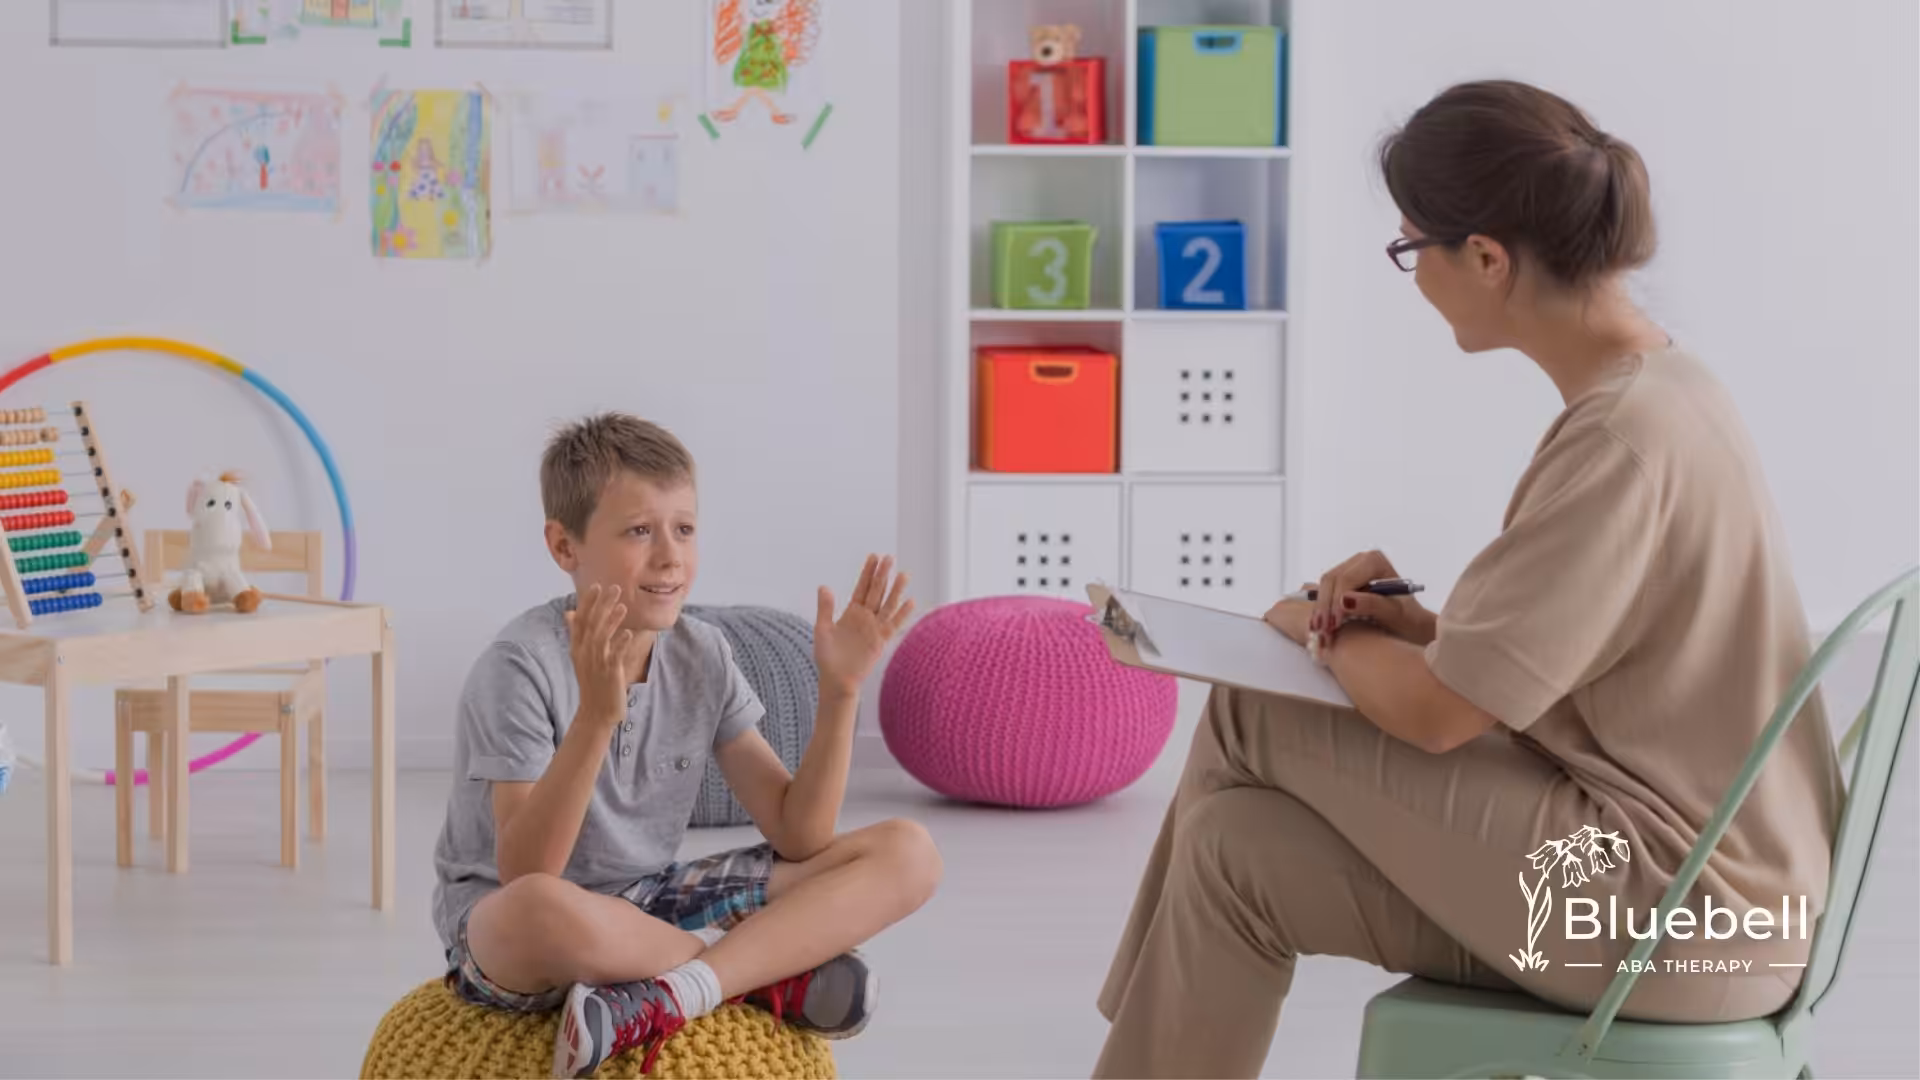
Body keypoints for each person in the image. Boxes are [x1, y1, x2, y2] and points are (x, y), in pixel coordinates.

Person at [1092, 80, 1844, 1078]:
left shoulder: (1618, 441)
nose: (1410, 276)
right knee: (1237, 847)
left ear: (1486, 258)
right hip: (1728, 903)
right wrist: (1410, 628)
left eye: (1412, 249)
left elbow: (1445, 719)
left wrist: (1318, 628)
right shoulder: (1669, 394)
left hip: (1669, 920)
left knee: (1249, 710)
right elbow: (1575, 661)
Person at [428, 412, 942, 1078]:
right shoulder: (520, 665)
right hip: (515, 934)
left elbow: (799, 835)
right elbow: (528, 871)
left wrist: (840, 690)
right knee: (540, 907)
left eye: (685, 529)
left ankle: (680, 988)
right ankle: (757, 974)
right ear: (565, 546)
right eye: (639, 531)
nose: (671, 556)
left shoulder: (702, 652)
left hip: (649, 903)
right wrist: (595, 719)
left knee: (909, 851)